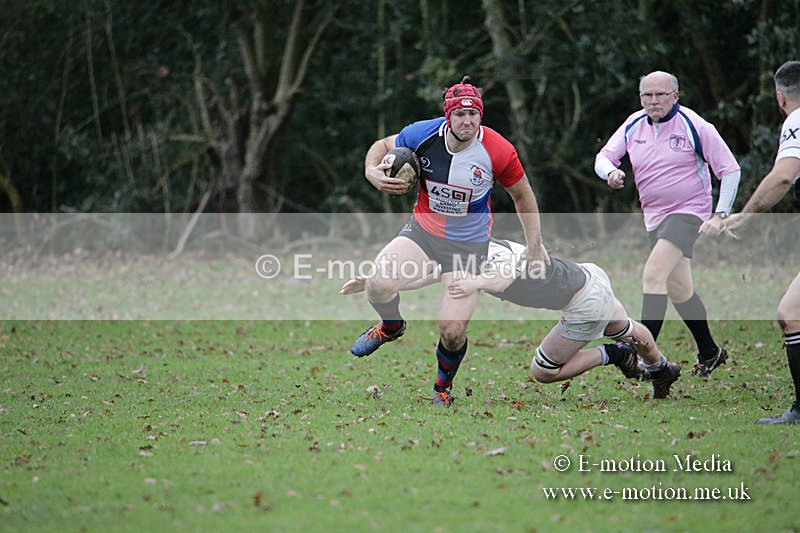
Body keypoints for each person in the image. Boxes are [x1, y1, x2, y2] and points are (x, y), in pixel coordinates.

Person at [351, 76, 549, 406]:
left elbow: (522, 196)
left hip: (468, 248)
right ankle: (391, 326)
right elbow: (382, 146)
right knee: (377, 284)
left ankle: (442, 388)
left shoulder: (498, 150)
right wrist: (371, 170)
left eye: (474, 114)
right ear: (448, 116)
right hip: (423, 233)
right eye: (459, 114)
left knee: (453, 330)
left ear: (480, 115)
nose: (467, 121)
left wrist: (535, 245)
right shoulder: (422, 134)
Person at [341, 238, 682, 400]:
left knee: (544, 371)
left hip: (582, 305)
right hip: (590, 278)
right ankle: (661, 368)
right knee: (624, 327)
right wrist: (376, 283)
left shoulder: (491, 262)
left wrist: (477, 283)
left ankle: (614, 354)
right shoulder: (476, 247)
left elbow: (504, 277)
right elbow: (434, 272)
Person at [594, 70, 741, 377]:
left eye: (661, 94)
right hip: (655, 218)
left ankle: (642, 355)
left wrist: (721, 213)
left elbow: (730, 170)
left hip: (690, 212)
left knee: (653, 273)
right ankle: (710, 352)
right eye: (647, 95)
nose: (653, 100)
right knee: (679, 289)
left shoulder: (695, 125)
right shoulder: (634, 124)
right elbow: (604, 156)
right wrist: (610, 172)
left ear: (676, 95)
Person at [723, 60, 800, 424]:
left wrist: (745, 215)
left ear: (780, 97)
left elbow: (783, 177)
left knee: (791, 313)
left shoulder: (796, 120)